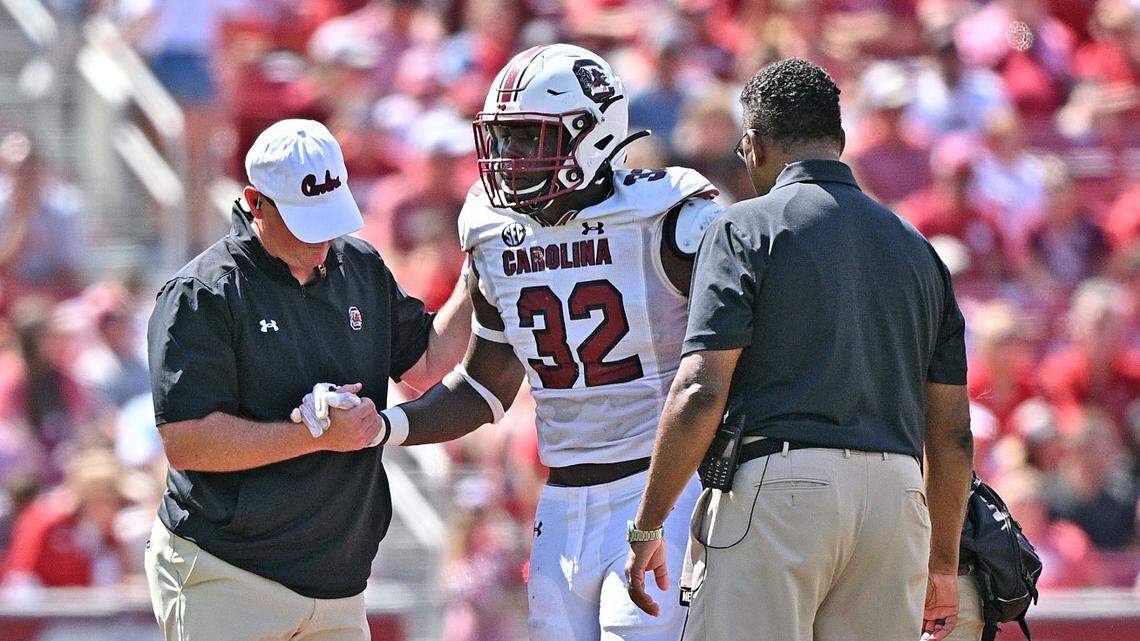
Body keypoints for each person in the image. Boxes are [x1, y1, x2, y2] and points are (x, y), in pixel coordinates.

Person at [307, 44, 723, 641]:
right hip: (560, 501)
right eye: (502, 139)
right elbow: (484, 385)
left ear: (592, 134)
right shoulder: (495, 231)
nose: (509, 158)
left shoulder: (670, 215)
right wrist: (385, 427)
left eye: (529, 138)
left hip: (660, 490)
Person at [623, 59, 974, 641]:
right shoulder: (919, 249)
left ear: (754, 146)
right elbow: (954, 432)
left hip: (777, 490)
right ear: (839, 142)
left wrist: (648, 525)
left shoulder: (744, 228)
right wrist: (941, 563)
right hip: (896, 501)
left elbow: (700, 390)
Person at [143, 119, 471, 641]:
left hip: (339, 583)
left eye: (329, 217)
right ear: (256, 203)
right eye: (304, 221)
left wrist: (478, 276)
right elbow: (187, 441)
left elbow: (429, 361)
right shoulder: (202, 293)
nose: (322, 238)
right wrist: (311, 434)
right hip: (229, 573)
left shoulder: (359, 265)